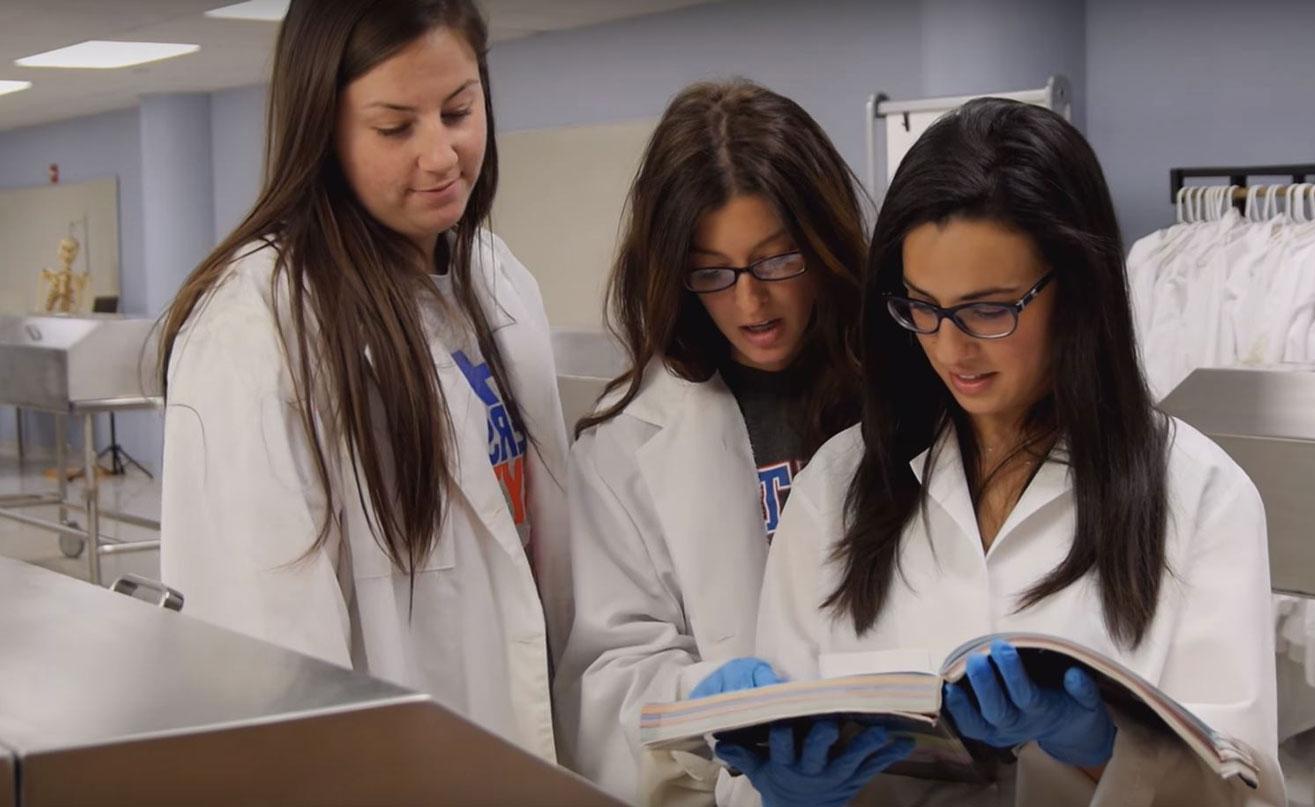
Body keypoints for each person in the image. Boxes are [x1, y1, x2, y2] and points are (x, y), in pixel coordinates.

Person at [712, 98, 1285, 805]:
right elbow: (749, 785)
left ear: (1075, 289)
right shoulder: (837, 486)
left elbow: (1248, 798)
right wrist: (782, 789)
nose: (951, 348)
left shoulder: (1200, 497)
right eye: (922, 306)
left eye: (989, 308)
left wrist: (1106, 751)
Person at [157, 0, 570, 762]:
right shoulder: (261, 328)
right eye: (395, 127)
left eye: (458, 110)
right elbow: (267, 671)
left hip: (517, 759)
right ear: (323, 130)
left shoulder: (498, 279)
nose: (442, 154)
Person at [553, 79, 869, 803]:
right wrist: (707, 701)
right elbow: (606, 685)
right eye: (713, 273)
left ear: (824, 242)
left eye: (778, 260)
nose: (750, 302)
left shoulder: (907, 389)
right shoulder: (627, 440)